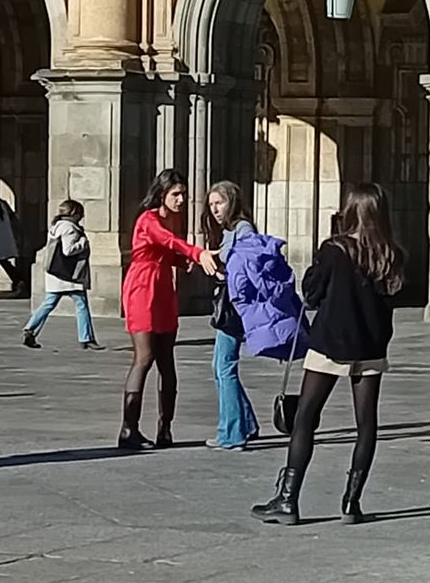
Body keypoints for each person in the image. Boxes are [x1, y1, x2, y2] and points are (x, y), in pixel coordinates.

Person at [254, 183, 404, 525]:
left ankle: (288, 499)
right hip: (371, 347)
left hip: (331, 344)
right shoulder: (390, 253)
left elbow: (311, 293)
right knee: (367, 424)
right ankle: (352, 502)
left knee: (306, 417)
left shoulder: (335, 250)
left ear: (349, 211)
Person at [119, 169, 219, 451]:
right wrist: (195, 253)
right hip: (142, 288)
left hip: (163, 287)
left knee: (167, 359)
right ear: (161, 194)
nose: (181, 199)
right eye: (176, 194)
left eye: (184, 194)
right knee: (145, 356)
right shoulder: (149, 219)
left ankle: (166, 427)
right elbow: (166, 241)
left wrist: (180, 261)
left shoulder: (171, 218)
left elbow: (164, 251)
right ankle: (129, 429)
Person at [204, 181, 259, 451]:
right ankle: (246, 422)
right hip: (228, 302)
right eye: (212, 204)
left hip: (235, 306)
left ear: (232, 202)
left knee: (224, 366)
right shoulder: (228, 231)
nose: (215, 209)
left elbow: (249, 265)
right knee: (220, 365)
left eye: (220, 202)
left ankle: (232, 433)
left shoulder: (243, 228)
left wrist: (224, 272)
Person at [22, 199, 102, 351]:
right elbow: (68, 250)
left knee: (48, 303)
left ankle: (30, 328)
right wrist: (83, 243)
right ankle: (86, 338)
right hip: (69, 275)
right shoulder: (69, 228)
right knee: (81, 305)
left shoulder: (56, 226)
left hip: (55, 274)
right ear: (74, 214)